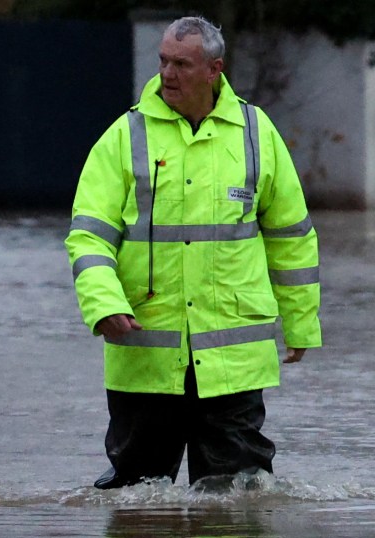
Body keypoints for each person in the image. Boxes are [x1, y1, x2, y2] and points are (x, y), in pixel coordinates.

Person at [66, 15, 321, 490]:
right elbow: (88, 238)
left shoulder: (255, 133)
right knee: (135, 503)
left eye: (182, 64)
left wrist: (302, 322)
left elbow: (291, 236)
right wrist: (104, 306)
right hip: (146, 357)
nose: (167, 74)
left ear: (214, 70)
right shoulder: (125, 136)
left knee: (239, 503)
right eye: (163, 61)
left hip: (233, 362)